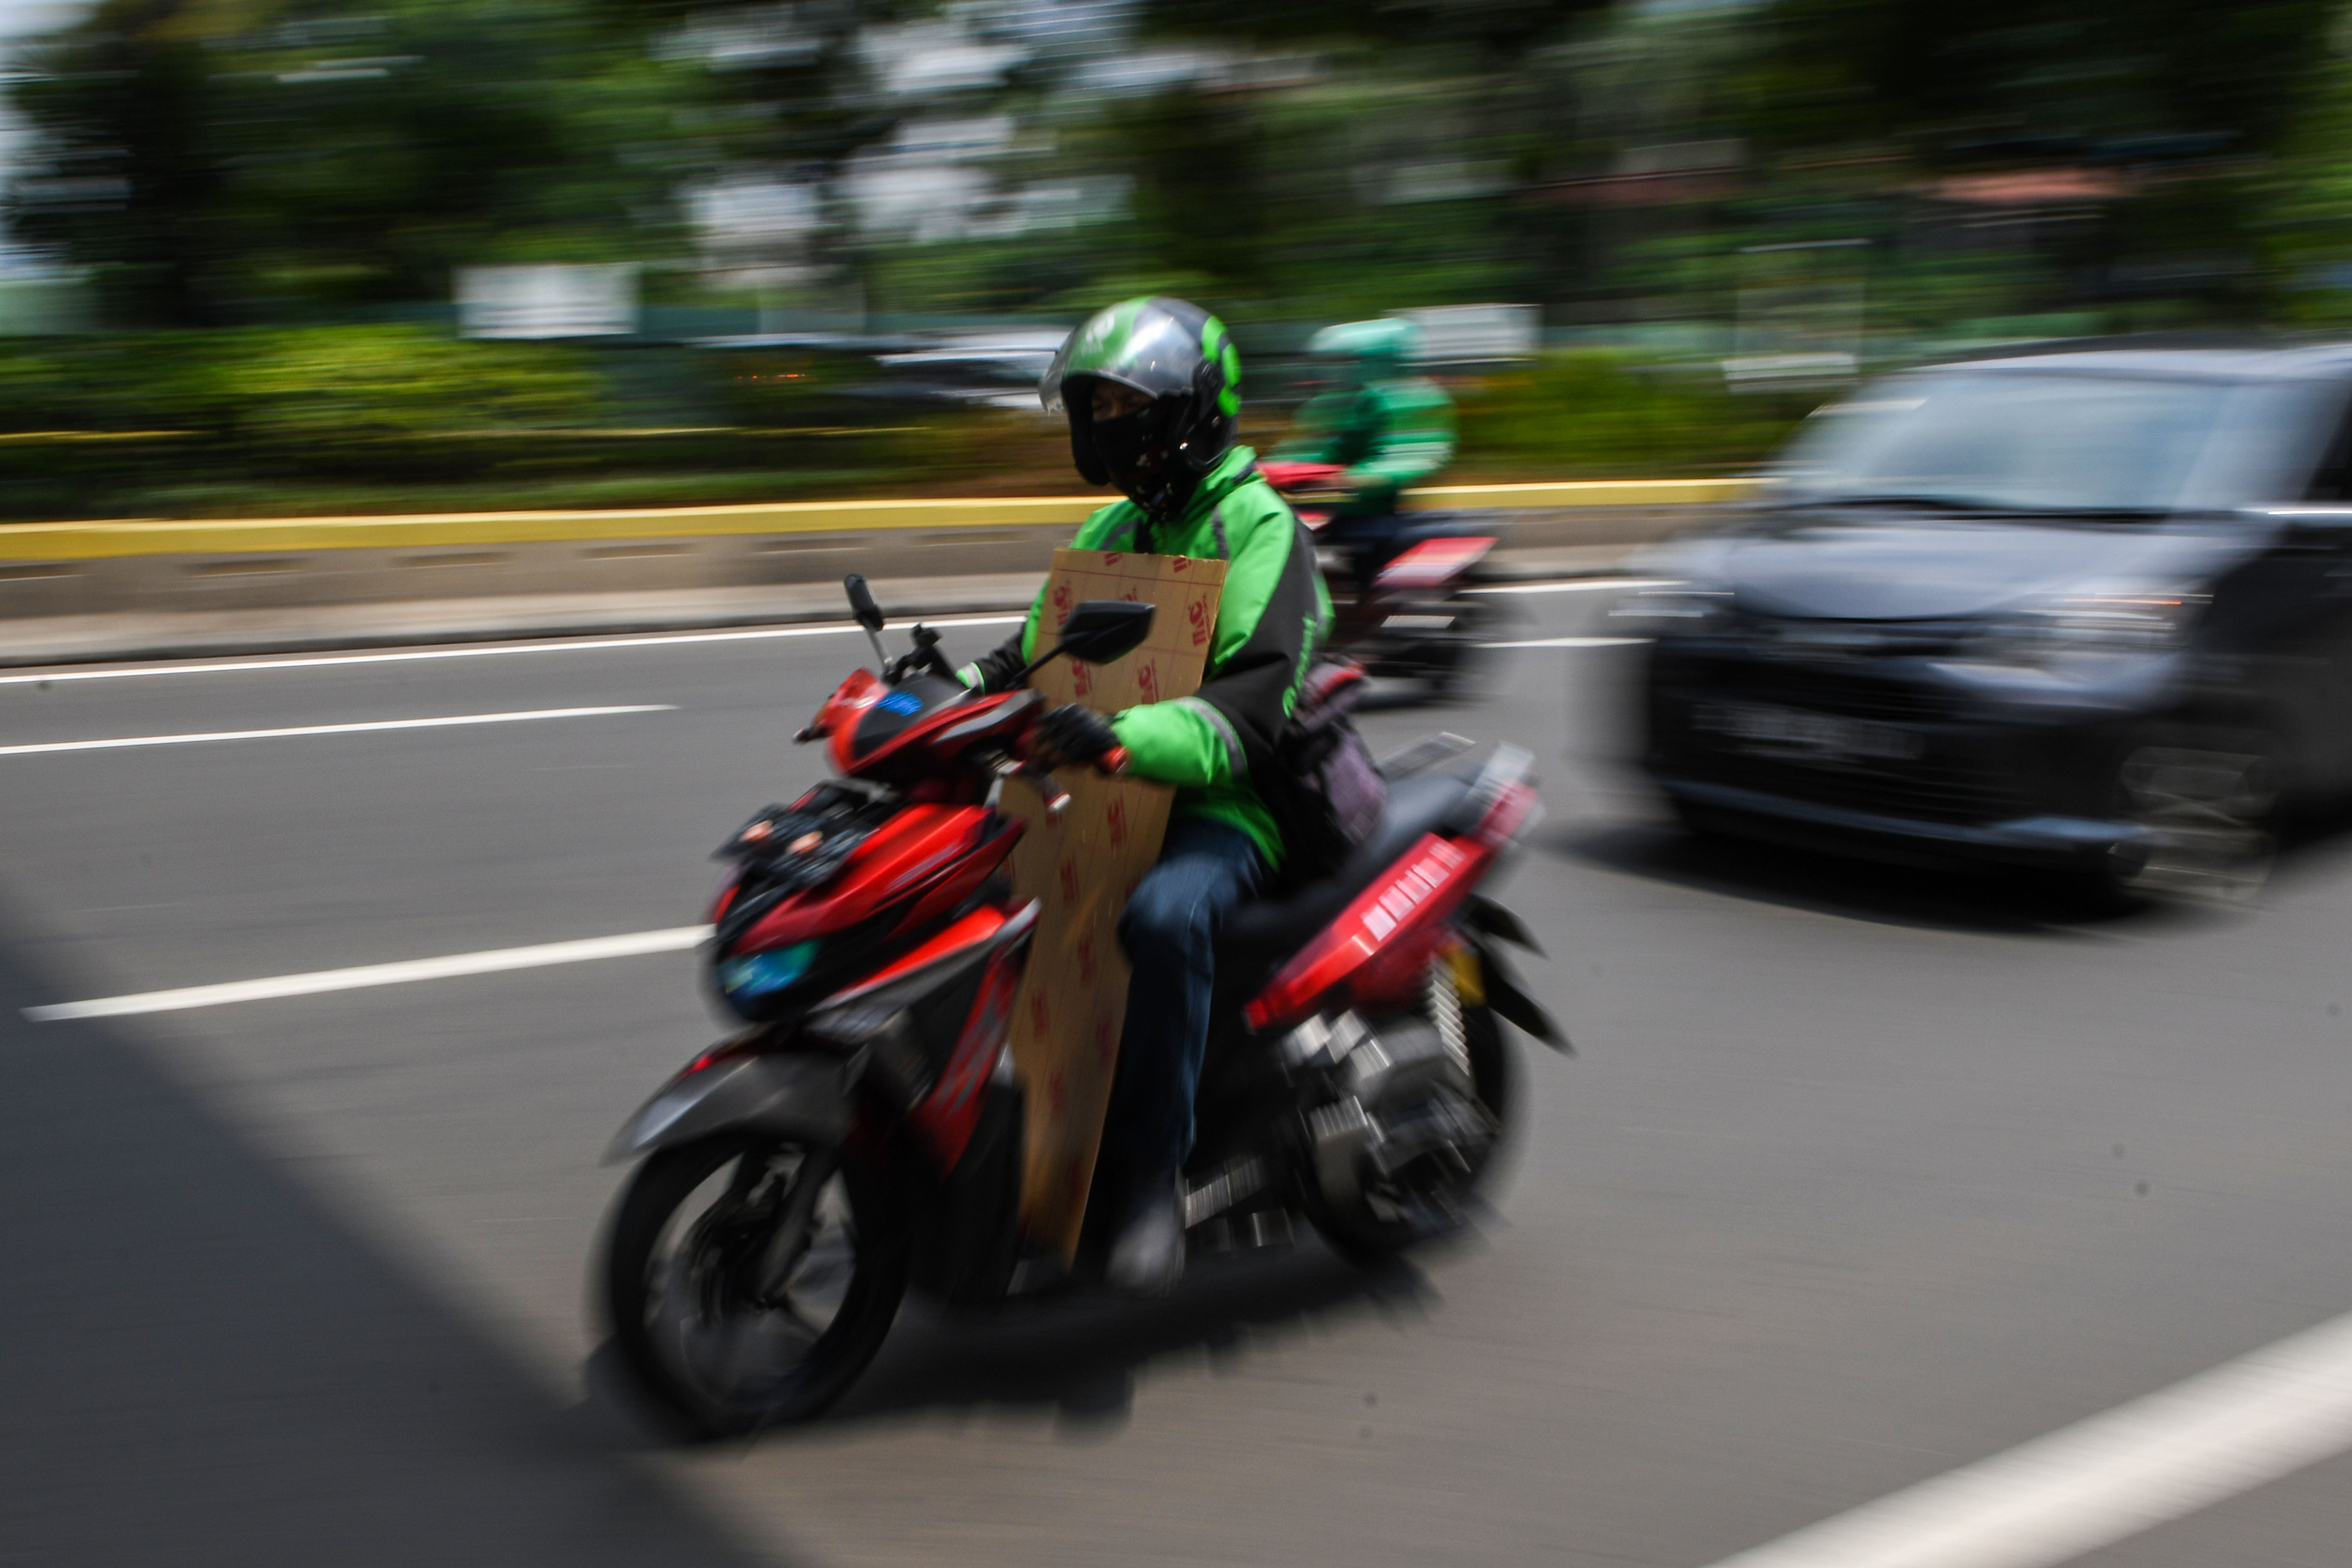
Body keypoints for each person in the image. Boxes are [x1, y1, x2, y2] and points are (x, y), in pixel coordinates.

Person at [957, 296, 1331, 1294]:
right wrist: (934, 701)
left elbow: (1255, 701)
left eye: (1128, 399)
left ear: (1191, 406)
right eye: (1097, 402)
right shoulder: (1114, 526)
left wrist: (1122, 740)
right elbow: (1030, 653)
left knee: (1162, 920)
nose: (1109, 421)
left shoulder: (1256, 526)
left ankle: (1151, 1180)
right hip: (1097, 789)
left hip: (1221, 806)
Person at [1272, 318, 1456, 588]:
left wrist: (1350, 479)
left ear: (1375, 361)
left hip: (1377, 514)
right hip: (1339, 509)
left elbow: (1406, 460)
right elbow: (1325, 450)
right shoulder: (1350, 402)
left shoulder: (1415, 400)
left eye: (1347, 363)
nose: (1337, 373)